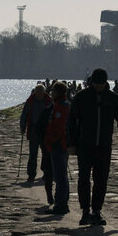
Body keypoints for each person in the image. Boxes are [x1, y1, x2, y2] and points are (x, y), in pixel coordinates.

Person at [67, 68, 118, 226]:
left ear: (105, 82)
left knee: (101, 180)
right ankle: (85, 211)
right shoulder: (81, 97)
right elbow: (71, 121)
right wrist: (71, 143)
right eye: (96, 84)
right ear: (91, 82)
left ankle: (97, 211)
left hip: (104, 146)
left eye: (101, 84)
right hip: (84, 145)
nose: (99, 87)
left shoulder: (112, 98)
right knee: (83, 179)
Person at [37, 82, 72, 215]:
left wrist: (49, 140)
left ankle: (61, 204)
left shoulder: (61, 107)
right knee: (61, 175)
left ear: (57, 92)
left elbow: (58, 127)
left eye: (52, 91)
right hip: (61, 144)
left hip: (58, 145)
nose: (50, 93)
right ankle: (61, 202)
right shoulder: (64, 105)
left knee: (60, 176)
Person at [20, 85, 52, 183]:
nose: (39, 95)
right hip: (33, 129)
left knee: (46, 153)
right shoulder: (30, 101)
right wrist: (22, 127)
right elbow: (24, 114)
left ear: (44, 92)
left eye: (41, 93)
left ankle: (46, 172)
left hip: (45, 130)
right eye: (37, 93)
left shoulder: (49, 101)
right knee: (33, 153)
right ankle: (31, 174)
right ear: (35, 92)